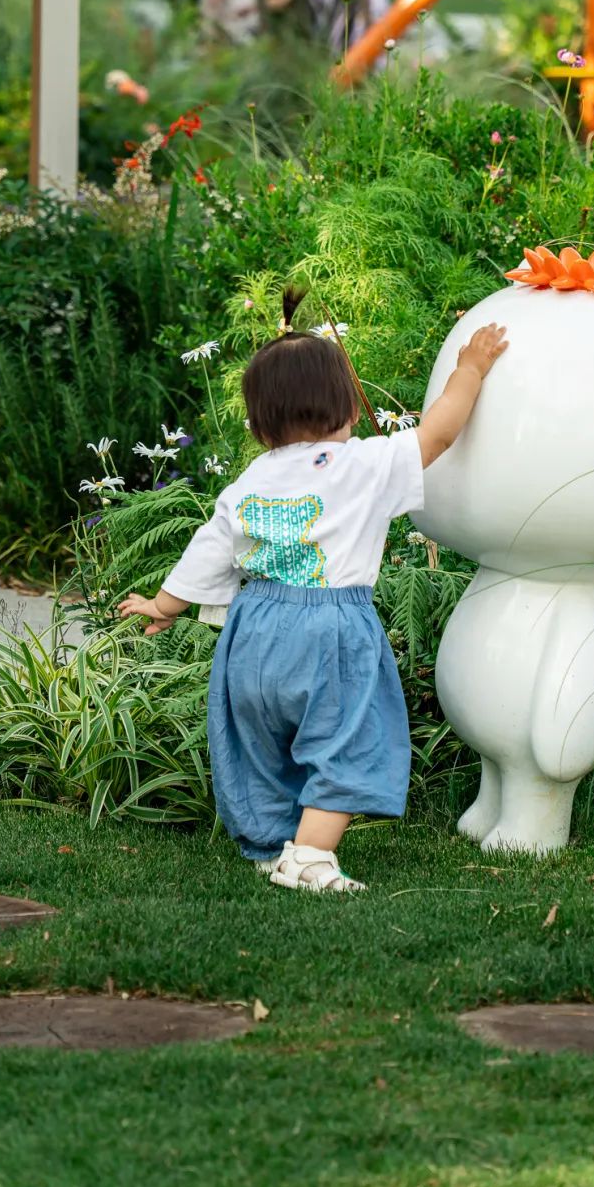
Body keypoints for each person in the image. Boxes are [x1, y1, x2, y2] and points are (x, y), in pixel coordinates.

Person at [118, 293, 509, 893]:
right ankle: (309, 857)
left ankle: (270, 844)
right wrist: (472, 369)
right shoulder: (361, 465)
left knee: (259, 744)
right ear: (351, 404)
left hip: (252, 630)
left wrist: (164, 606)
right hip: (328, 628)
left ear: (256, 425)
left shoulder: (250, 481)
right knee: (346, 738)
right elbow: (438, 433)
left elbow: (209, 545)